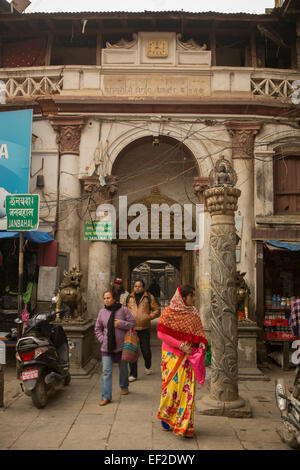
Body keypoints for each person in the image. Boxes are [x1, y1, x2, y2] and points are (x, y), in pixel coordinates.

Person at [156, 285, 208, 438]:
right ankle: (166, 415)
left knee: (187, 391)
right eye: (192, 296)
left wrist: (201, 344)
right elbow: (161, 334)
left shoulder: (194, 313)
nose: (194, 299)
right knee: (171, 389)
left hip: (188, 357)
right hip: (172, 356)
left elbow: (198, 334)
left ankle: (184, 424)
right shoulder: (169, 312)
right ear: (183, 297)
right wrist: (180, 345)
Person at [95, 289, 135, 406]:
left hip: (122, 347)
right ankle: (106, 396)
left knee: (123, 369)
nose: (106, 300)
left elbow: (133, 323)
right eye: (105, 298)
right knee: (106, 371)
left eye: (108, 298)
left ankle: (124, 386)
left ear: (114, 299)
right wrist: (103, 340)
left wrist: (121, 324)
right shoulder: (102, 312)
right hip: (107, 347)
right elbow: (97, 328)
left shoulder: (123, 310)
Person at [125, 278, 160, 381]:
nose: (137, 288)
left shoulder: (149, 297)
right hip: (132, 329)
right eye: (135, 286)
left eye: (139, 286)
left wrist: (148, 317)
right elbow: (123, 310)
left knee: (146, 350)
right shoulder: (128, 298)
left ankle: (148, 365)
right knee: (132, 351)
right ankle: (133, 374)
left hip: (144, 328)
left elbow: (157, 310)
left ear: (143, 287)